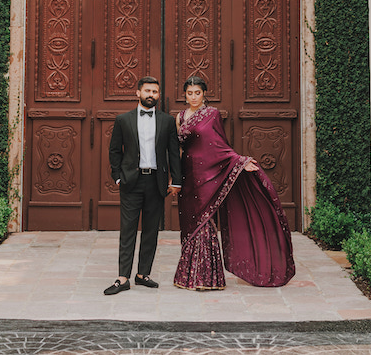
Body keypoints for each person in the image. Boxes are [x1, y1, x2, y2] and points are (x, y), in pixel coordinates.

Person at [174, 75, 295, 290]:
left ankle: (208, 278)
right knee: (190, 222)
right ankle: (187, 276)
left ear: (204, 94)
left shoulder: (211, 114)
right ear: (184, 95)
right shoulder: (180, 117)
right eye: (190, 93)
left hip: (207, 173)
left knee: (205, 220)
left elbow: (219, 144)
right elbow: (179, 149)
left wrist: (239, 161)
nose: (193, 97)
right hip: (188, 174)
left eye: (197, 93)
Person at [104, 75, 182, 295]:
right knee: (128, 229)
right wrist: (118, 176)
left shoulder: (167, 121)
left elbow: (173, 153)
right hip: (131, 181)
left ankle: (143, 274)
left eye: (155, 92)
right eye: (147, 91)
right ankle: (123, 277)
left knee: (150, 230)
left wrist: (176, 180)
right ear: (137, 93)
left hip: (156, 181)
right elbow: (114, 150)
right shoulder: (123, 120)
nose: (151, 95)